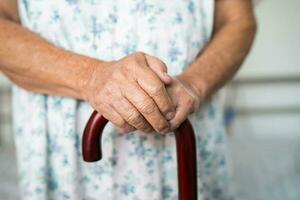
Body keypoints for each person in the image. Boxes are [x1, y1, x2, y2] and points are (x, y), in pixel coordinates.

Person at [0, 0, 256, 199]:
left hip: (186, 147)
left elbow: (237, 20)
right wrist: (91, 77)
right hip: (63, 159)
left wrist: (194, 84)